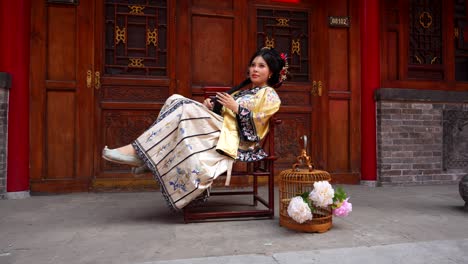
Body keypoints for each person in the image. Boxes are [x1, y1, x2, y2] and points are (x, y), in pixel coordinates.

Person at [102, 47, 288, 210]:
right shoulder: (244, 91)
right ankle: (148, 155)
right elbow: (225, 114)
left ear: (271, 72)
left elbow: (259, 123)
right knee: (174, 99)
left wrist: (236, 108)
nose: (255, 69)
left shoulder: (270, 95)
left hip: (235, 140)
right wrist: (210, 106)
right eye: (253, 64)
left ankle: (140, 152)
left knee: (183, 105)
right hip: (219, 128)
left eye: (261, 66)